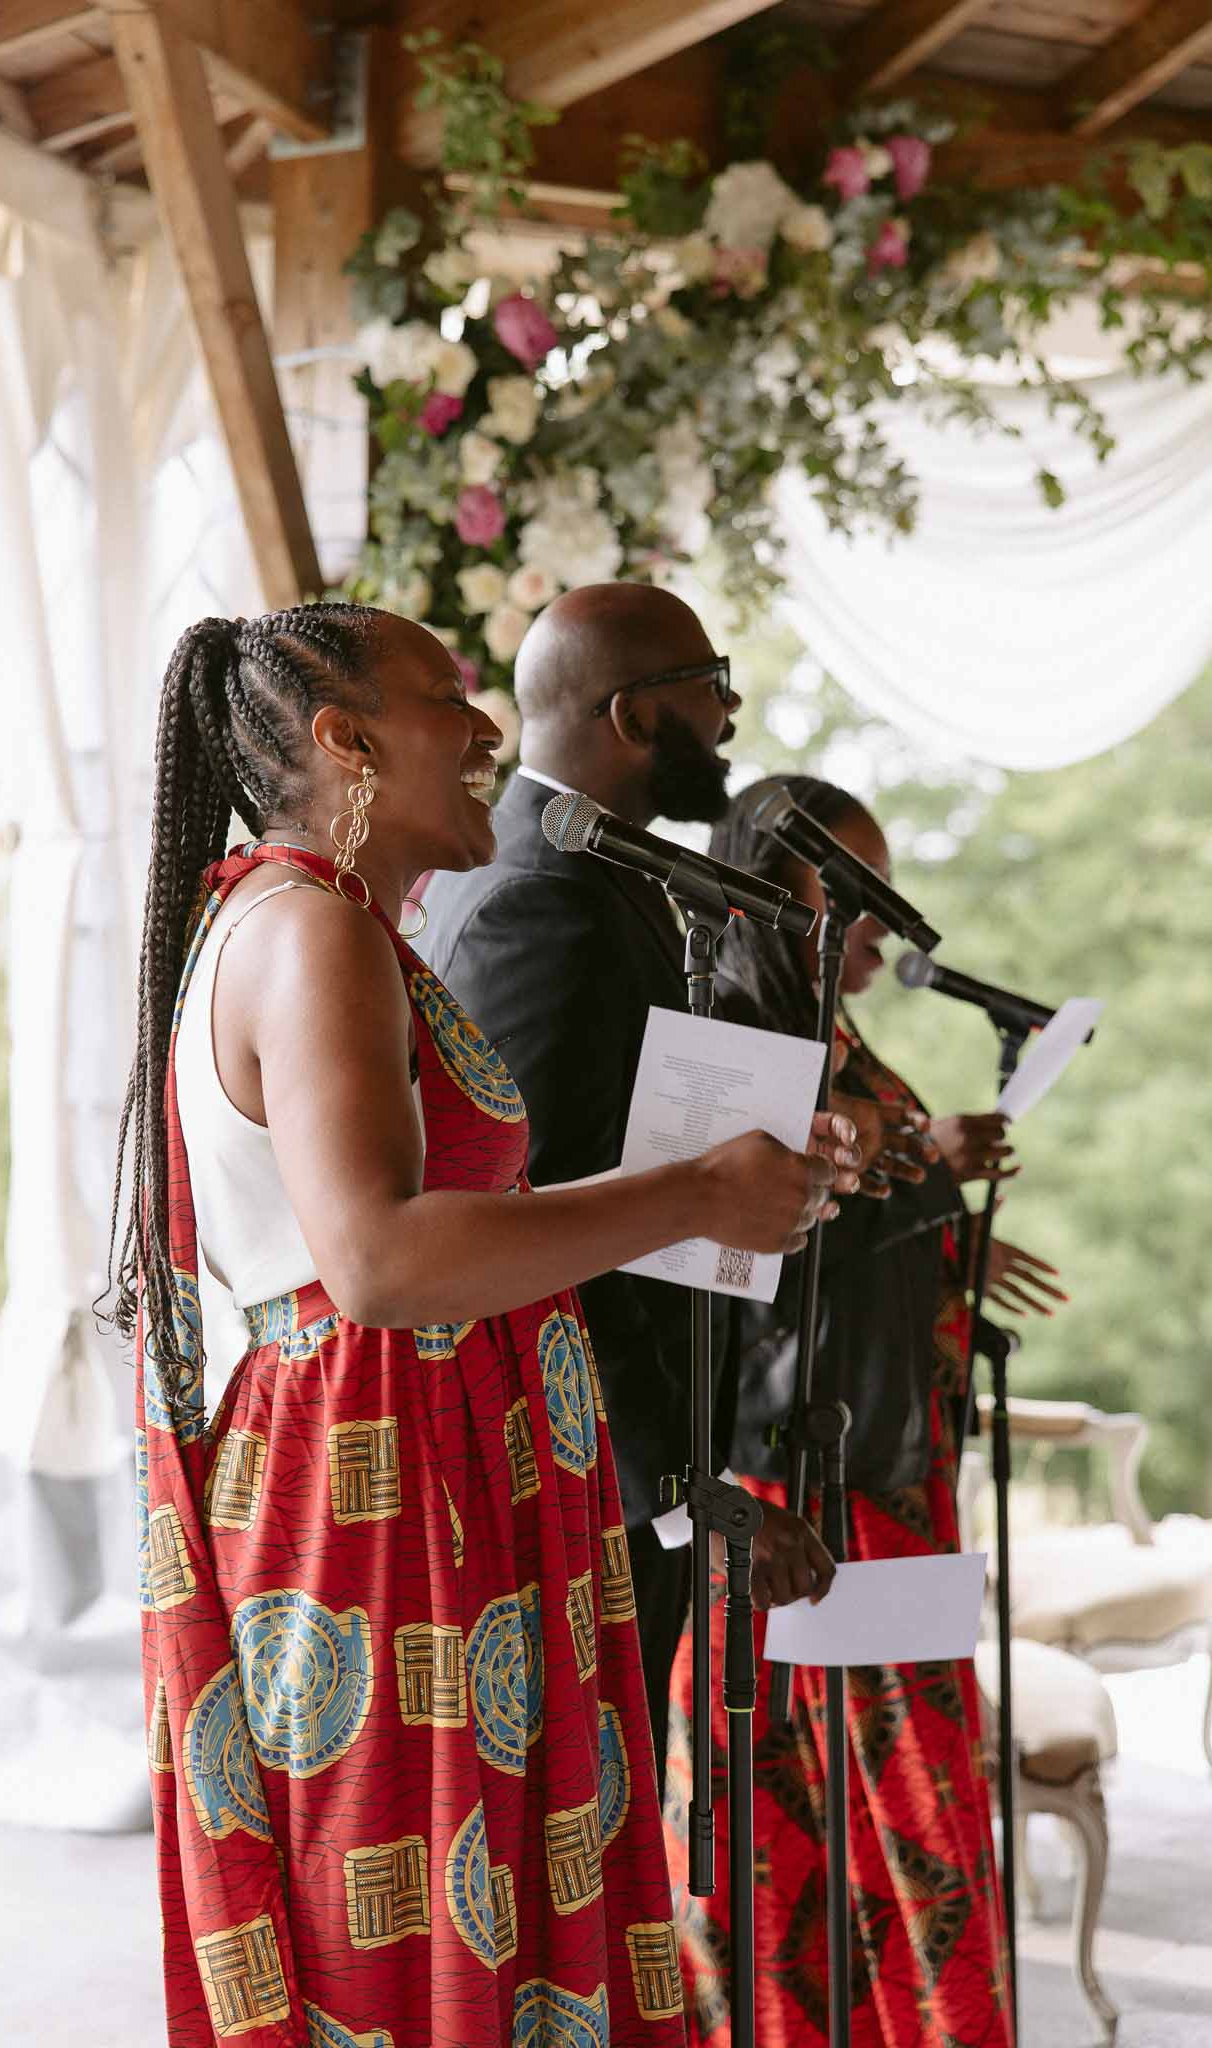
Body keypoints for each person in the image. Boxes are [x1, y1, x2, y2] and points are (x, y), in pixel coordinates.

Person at [106, 604, 841, 2048]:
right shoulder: (310, 931)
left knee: (480, 1924)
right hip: (375, 1510)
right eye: (446, 697)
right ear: (346, 740)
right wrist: (692, 1189)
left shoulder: (324, 923)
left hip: (433, 1489)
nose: (488, 729)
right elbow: (376, 1258)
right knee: (411, 1929)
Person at [421, 587, 856, 1793]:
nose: (728, 713)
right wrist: (687, 1493)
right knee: (580, 1821)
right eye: (712, 683)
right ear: (631, 713)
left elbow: (627, 1141)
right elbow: (537, 1232)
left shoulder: (585, 870)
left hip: (614, 1458)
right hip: (585, 1477)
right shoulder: (539, 900)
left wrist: (780, 1155)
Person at [665, 775, 1065, 2048]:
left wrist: (943, 1235)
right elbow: (740, 1248)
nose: (885, 928)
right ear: (776, 891)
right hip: (809, 1479)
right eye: (859, 895)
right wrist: (920, 1177)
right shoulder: (733, 1028)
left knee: (884, 1807)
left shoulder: (824, 1026)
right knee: (867, 1810)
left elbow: (845, 1225)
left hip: (892, 1459)